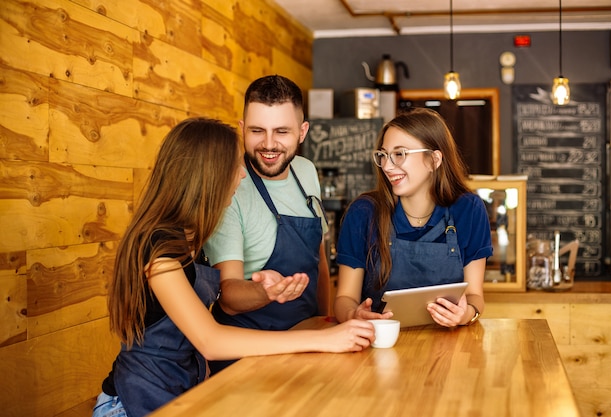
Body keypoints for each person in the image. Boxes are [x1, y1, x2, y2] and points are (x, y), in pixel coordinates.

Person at [93, 118, 374, 417]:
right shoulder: (158, 248)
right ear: (206, 175)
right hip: (130, 404)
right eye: (232, 167)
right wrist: (324, 339)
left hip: (180, 394)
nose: (241, 175)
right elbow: (210, 340)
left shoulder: (192, 239)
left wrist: (260, 289)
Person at [203, 75, 331, 372]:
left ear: (302, 132)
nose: (269, 144)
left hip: (308, 345)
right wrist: (267, 293)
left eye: (282, 132)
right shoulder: (231, 186)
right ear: (242, 128)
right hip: (245, 357)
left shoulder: (306, 171)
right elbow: (228, 296)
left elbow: (319, 260)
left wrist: (327, 326)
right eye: (257, 131)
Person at [333, 108, 493, 328]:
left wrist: (465, 315)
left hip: (447, 347)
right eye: (383, 155)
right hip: (378, 346)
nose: (387, 166)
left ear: (434, 160)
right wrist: (353, 315)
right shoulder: (363, 212)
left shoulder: (469, 210)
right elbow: (344, 299)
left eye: (399, 154)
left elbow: (475, 297)